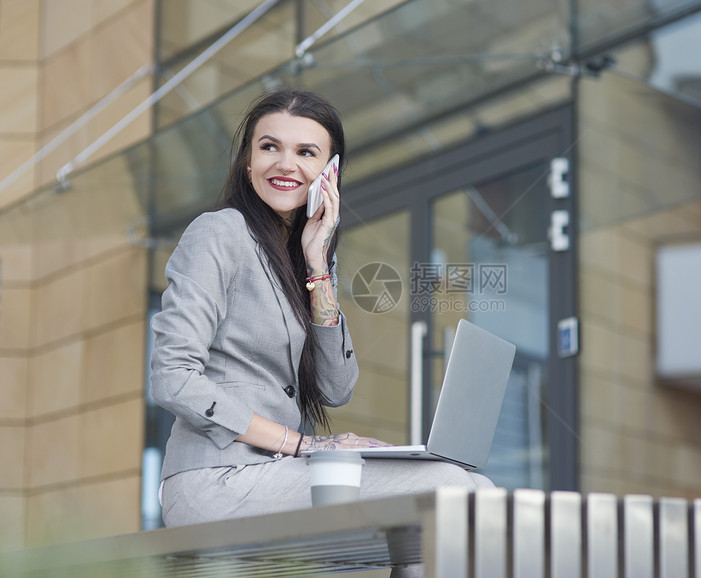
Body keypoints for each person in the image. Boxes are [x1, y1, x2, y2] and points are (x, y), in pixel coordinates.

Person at [150, 89, 491, 577]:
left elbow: (336, 387)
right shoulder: (218, 233)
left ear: (329, 174)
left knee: (466, 493)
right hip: (217, 479)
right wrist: (303, 445)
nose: (284, 163)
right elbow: (172, 376)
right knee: (452, 492)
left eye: (306, 153)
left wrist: (317, 264)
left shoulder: (302, 259)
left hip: (281, 475)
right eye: (269, 147)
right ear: (248, 161)